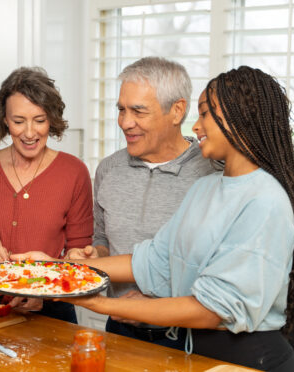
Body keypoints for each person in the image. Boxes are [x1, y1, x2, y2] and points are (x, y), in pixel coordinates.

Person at [15, 66, 294, 371]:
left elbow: (214, 309)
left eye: (204, 115)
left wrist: (100, 303)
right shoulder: (207, 188)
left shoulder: (265, 200)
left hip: (251, 358)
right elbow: (153, 260)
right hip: (197, 352)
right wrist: (53, 268)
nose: (197, 126)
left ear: (240, 119)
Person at [65, 57, 215, 344]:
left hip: (188, 337)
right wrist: (96, 255)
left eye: (138, 111)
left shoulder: (210, 173)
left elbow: (216, 268)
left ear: (177, 111)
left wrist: (153, 305)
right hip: (119, 330)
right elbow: (102, 239)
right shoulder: (108, 169)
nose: (125, 122)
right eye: (121, 109)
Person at [0, 67, 93, 323]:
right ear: (4, 120)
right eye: (19, 121)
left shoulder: (74, 172)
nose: (30, 133)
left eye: (40, 120)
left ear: (52, 119)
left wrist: (44, 291)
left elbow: (78, 254)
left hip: (52, 308)